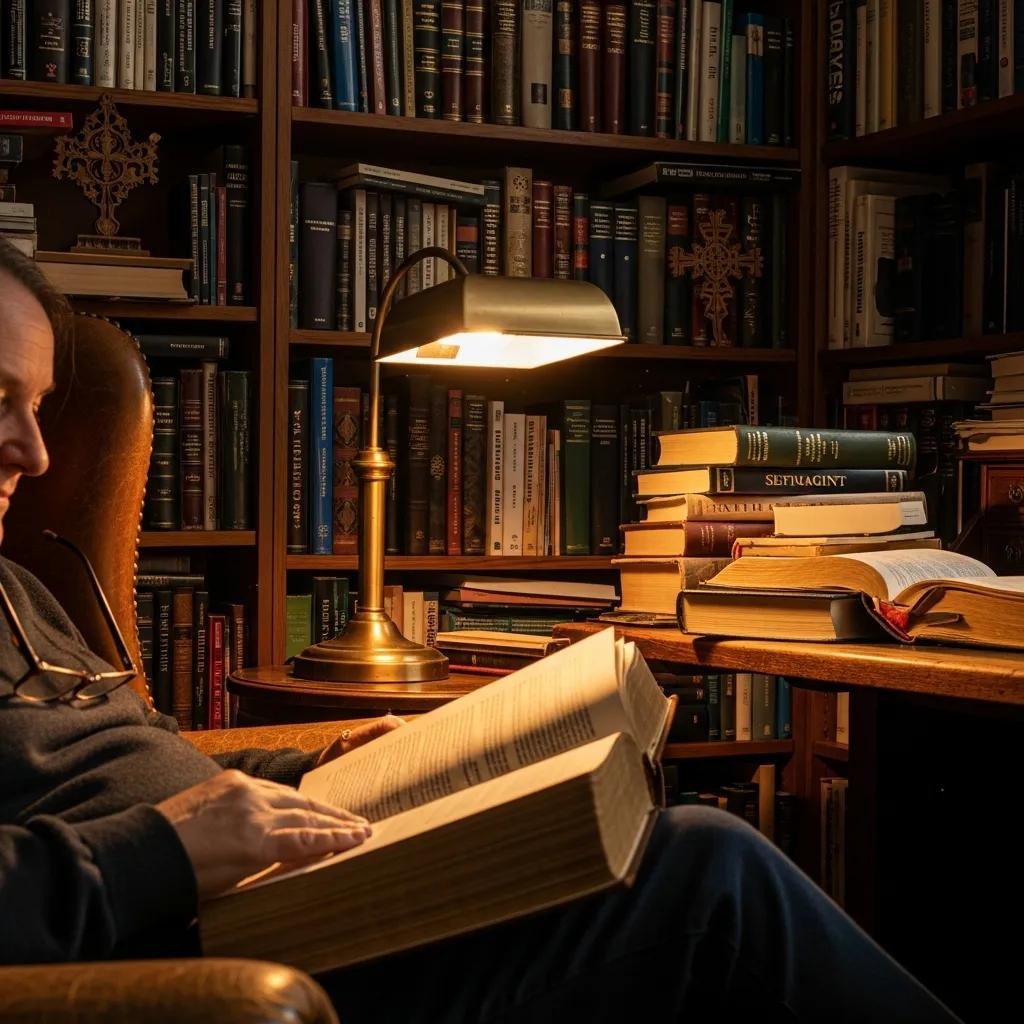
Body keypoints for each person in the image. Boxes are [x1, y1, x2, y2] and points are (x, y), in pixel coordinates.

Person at [0, 237, 961, 1022]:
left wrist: (326, 769)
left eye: (37, 408)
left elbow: (141, 764)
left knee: (654, 851)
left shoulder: (15, 583)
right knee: (707, 874)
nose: (35, 453)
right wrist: (161, 856)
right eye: (0, 401)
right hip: (191, 956)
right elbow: (131, 829)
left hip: (263, 892)